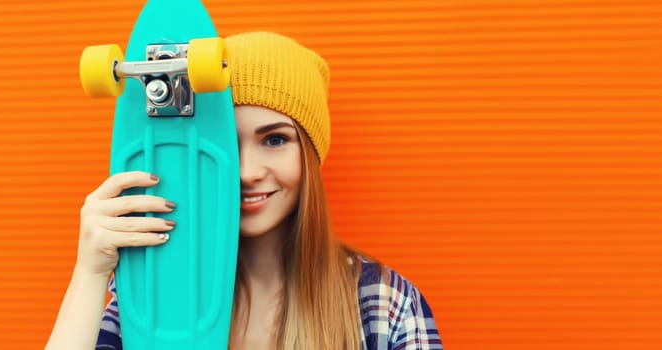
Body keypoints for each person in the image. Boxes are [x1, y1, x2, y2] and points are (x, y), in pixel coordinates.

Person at [46, 31, 443, 350]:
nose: (248, 172)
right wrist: (90, 272)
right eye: (227, 147)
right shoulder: (155, 290)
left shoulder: (384, 305)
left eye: (275, 140)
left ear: (310, 156)